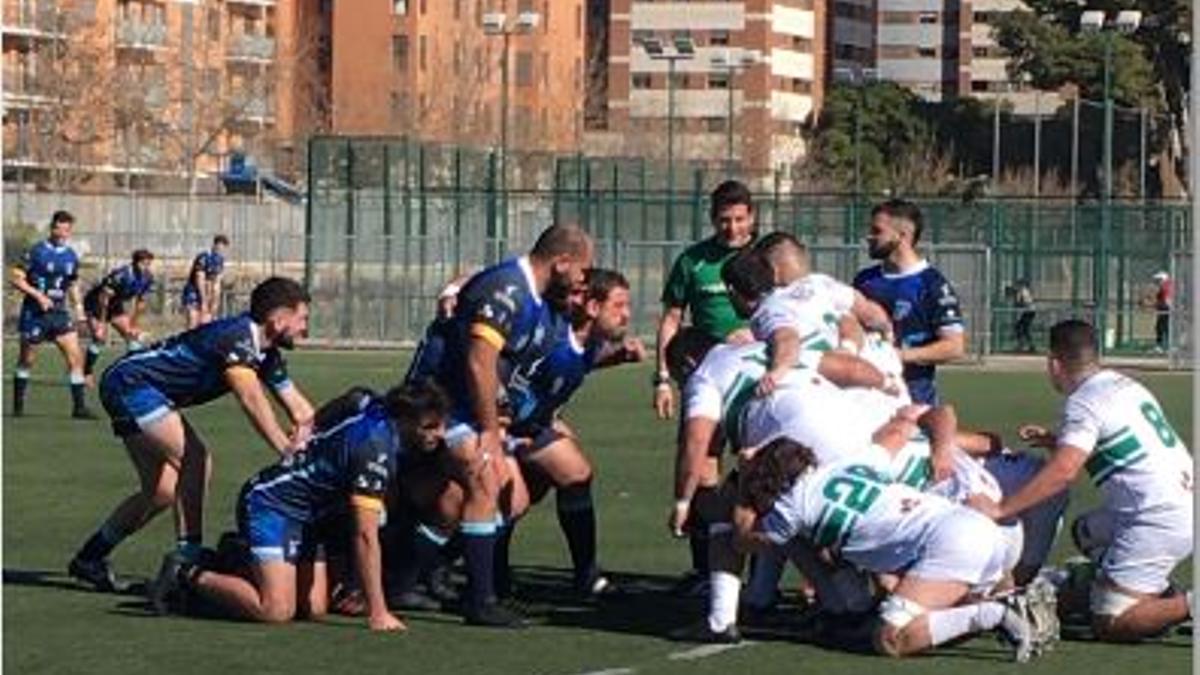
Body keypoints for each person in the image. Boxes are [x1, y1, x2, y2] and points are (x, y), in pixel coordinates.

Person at [68, 277, 315, 592]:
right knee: (195, 458)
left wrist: (321, 442)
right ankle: (188, 558)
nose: (305, 328)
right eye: (302, 318)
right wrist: (285, 449)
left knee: (162, 491)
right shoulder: (236, 338)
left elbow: (302, 410)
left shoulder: (267, 355)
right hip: (132, 383)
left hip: (135, 387)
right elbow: (251, 398)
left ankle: (89, 558)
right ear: (278, 319)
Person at [405, 223, 593, 627]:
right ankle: (480, 598)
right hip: (441, 407)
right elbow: (479, 361)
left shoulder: (536, 298)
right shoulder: (507, 289)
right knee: (485, 478)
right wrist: (491, 432)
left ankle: (420, 572)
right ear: (561, 262)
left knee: (515, 499)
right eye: (581, 269)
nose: (583, 279)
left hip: (469, 408)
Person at [151, 381, 450, 631]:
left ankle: (237, 556)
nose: (440, 434)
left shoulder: (375, 405)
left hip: (309, 516)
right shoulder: (374, 450)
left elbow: (354, 397)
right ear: (406, 420)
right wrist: (379, 611)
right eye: (431, 427)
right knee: (276, 611)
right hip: (270, 505)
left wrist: (311, 425)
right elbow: (364, 536)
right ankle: (186, 573)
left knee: (314, 607)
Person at [734, 433, 1055, 661]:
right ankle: (1004, 596)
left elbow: (744, 540)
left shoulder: (792, 507)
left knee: (890, 637)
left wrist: (742, 486)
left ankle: (997, 611)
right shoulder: (849, 464)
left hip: (952, 544)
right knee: (907, 598)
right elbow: (899, 430)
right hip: (979, 528)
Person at [968, 319, 1194, 642]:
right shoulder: (1122, 383)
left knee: (1111, 623)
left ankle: (1183, 603)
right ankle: (1155, 593)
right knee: (1085, 532)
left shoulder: (1084, 401)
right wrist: (1055, 440)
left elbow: (1063, 472)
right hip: (1177, 501)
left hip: (1157, 517)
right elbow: (1119, 442)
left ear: (1054, 363)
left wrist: (1002, 509)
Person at [654, 180, 757, 589]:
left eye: (739, 219)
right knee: (702, 469)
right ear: (712, 219)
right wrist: (662, 378)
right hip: (706, 382)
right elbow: (671, 320)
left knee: (761, 469)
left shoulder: (766, 258)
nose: (732, 228)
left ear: (752, 217)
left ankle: (763, 576)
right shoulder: (693, 261)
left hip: (756, 384)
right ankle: (707, 569)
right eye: (724, 220)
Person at [853, 199, 964, 405]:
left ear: (902, 235)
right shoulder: (864, 280)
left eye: (877, 231)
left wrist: (899, 355)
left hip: (914, 400)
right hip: (866, 398)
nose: (869, 237)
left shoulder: (932, 285)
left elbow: (954, 346)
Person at [10, 210, 95, 419]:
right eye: (60, 228)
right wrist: (38, 296)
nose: (63, 232)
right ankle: (18, 406)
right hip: (34, 314)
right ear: (53, 228)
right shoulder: (36, 251)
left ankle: (79, 408)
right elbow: (16, 278)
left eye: (68, 229)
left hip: (59, 314)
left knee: (76, 359)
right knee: (26, 360)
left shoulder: (71, 255)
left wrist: (80, 311)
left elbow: (72, 284)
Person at [83, 249, 156, 381]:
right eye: (143, 263)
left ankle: (134, 372)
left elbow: (141, 303)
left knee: (131, 336)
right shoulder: (121, 275)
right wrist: (101, 323)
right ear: (135, 262)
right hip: (96, 304)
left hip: (115, 305)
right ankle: (87, 373)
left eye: (148, 264)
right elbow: (103, 299)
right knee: (100, 338)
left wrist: (133, 325)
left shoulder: (148, 278)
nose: (146, 267)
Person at [182, 235, 229, 328]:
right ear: (214, 245)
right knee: (193, 321)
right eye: (219, 247)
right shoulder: (204, 257)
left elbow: (216, 284)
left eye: (223, 249)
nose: (220, 251)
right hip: (194, 291)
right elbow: (200, 280)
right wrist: (204, 301)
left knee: (206, 322)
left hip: (208, 292)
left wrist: (215, 302)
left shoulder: (220, 261)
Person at [1011, 279, 1036, 353]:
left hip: (1029, 311)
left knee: (1023, 328)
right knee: (1020, 328)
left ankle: (1025, 345)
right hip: (1027, 311)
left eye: (1018, 285)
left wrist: (1017, 300)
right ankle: (1024, 345)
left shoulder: (1023, 291)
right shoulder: (1022, 291)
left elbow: (1023, 302)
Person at [1151, 271, 1172, 353]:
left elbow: (1167, 300)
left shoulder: (1166, 286)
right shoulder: (1164, 286)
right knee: (1160, 327)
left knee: (1164, 327)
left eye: (1159, 279)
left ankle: (1165, 347)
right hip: (1163, 309)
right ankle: (1161, 346)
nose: (1158, 282)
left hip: (1166, 310)